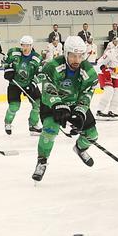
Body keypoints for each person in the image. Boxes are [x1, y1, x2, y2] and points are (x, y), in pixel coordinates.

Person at [31, 36, 99, 182]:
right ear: (66, 53)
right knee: (50, 129)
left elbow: (87, 93)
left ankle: (80, 148)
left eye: (80, 56)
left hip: (74, 103)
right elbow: (48, 89)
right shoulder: (53, 66)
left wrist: (79, 112)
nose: (77, 60)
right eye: (73, 56)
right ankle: (42, 161)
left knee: (92, 135)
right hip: (52, 103)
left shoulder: (88, 71)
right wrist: (58, 105)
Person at [2, 35, 43, 136]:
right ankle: (7, 123)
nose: (25, 48)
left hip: (29, 83)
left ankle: (33, 126)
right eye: (23, 45)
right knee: (14, 106)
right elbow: (4, 62)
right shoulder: (13, 52)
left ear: (31, 46)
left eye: (27, 45)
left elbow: (41, 74)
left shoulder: (37, 58)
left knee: (38, 104)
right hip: (14, 84)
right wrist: (8, 70)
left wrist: (33, 83)